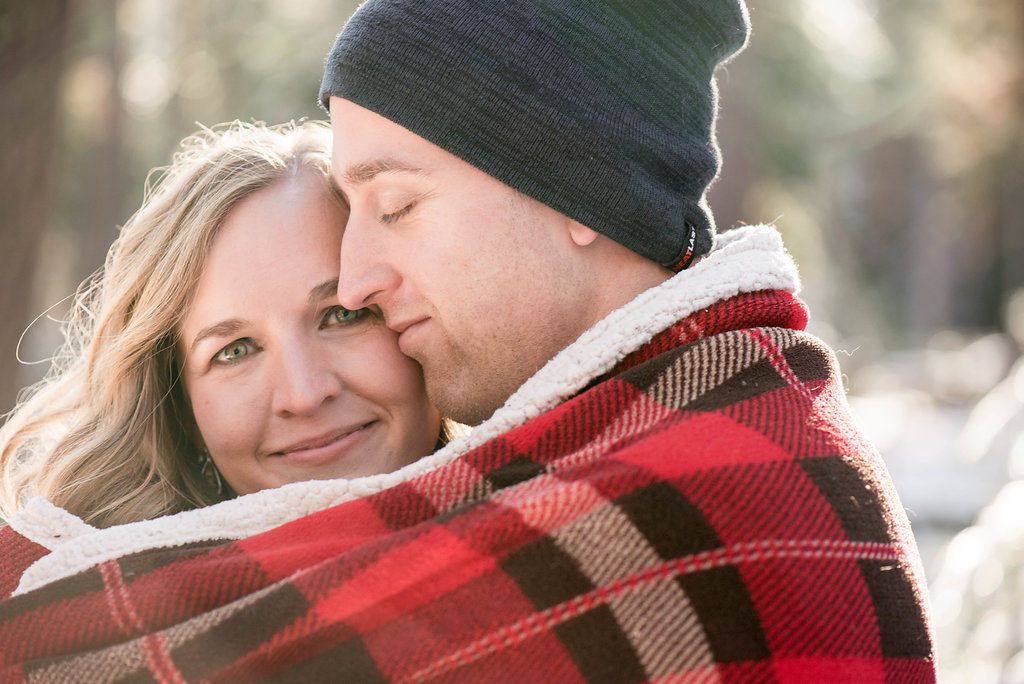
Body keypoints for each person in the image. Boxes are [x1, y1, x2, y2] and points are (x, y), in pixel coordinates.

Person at [0, 2, 936, 680]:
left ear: (574, 185)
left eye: (396, 206)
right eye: (231, 349)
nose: (362, 275)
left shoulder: (700, 502)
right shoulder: (569, 463)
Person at [0, 121, 443, 592]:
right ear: (180, 413)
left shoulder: (531, 512)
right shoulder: (79, 616)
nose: (305, 394)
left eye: (340, 315)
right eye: (234, 351)